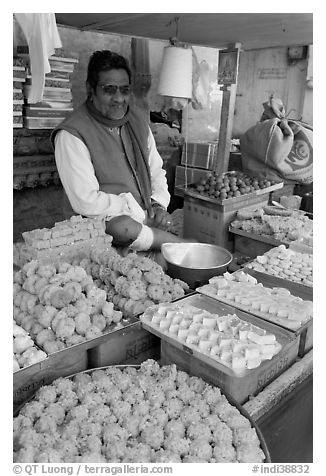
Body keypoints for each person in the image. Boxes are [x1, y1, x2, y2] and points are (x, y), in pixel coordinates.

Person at [51, 50, 188, 253]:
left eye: (124, 90)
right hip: (101, 228)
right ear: (90, 89)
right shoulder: (72, 134)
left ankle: (169, 243)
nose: (118, 98)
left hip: (144, 219)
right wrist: (138, 213)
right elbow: (86, 202)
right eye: (109, 90)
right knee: (123, 227)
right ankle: (179, 245)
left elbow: (156, 171)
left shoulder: (138, 121)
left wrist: (158, 206)